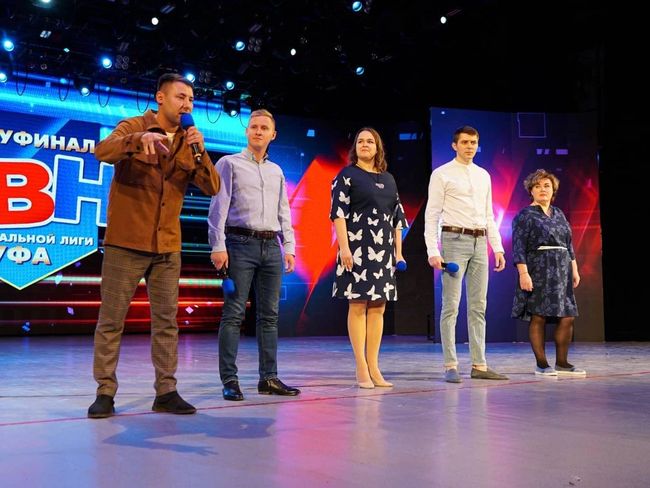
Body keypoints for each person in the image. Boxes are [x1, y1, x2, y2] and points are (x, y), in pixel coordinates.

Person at [88, 73, 221, 418]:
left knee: (166, 321)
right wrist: (138, 140)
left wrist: (201, 150)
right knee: (112, 319)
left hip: (167, 246)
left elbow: (213, 187)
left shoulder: (189, 141)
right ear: (160, 98)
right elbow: (102, 151)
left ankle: (166, 391)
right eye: (180, 97)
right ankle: (105, 392)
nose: (187, 104)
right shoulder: (135, 125)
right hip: (126, 242)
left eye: (191, 99)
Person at [207, 109, 300, 401]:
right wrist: (217, 245)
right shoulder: (229, 163)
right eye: (254, 127)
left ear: (273, 135)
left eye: (264, 128)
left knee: (269, 316)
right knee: (234, 314)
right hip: (239, 243)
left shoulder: (276, 171)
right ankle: (230, 380)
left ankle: (268, 378)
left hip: (271, 246)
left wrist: (289, 247)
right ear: (247, 132)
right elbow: (218, 208)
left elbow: (284, 211)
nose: (258, 131)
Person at [424, 125, 508, 383]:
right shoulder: (442, 174)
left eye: (473, 142)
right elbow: (432, 214)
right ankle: (450, 364)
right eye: (465, 142)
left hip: (480, 241)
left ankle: (479, 365)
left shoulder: (483, 175)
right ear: (455, 145)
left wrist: (497, 247)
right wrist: (432, 250)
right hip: (454, 240)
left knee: (478, 305)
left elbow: (488, 215)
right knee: (451, 305)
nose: (470, 146)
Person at [330, 127, 408, 388]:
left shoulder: (389, 179)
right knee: (358, 304)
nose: (365, 144)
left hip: (383, 250)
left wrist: (398, 252)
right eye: (360, 141)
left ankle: (374, 366)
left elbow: (398, 219)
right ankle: (361, 367)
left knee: (378, 307)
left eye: (370, 141)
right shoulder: (347, 175)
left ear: (377, 148)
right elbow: (338, 214)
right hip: (356, 247)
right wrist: (344, 248)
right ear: (355, 147)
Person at [511, 169, 585, 376]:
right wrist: (523, 273)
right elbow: (518, 247)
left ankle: (562, 363)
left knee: (567, 316)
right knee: (539, 315)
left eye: (546, 186)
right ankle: (542, 364)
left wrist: (574, 269)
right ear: (531, 191)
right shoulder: (525, 215)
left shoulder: (558, 213)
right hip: (539, 269)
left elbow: (568, 244)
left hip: (562, 271)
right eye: (537, 186)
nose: (542, 189)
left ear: (553, 190)